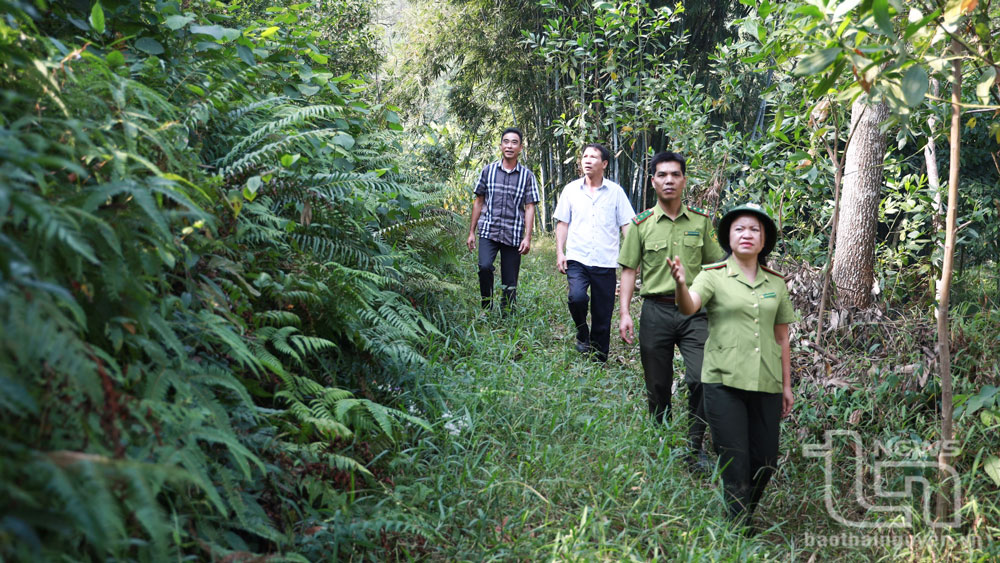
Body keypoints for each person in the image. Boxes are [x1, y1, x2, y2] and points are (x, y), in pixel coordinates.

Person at [668, 203, 796, 527]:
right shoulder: (712, 277)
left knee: (765, 461)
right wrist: (681, 284)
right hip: (723, 381)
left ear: (764, 239)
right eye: (739, 229)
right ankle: (738, 529)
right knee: (734, 460)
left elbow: (782, 338)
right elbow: (689, 306)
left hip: (766, 381)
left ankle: (742, 514)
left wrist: (787, 386)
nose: (747, 234)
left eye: (754, 229)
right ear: (729, 237)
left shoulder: (776, 284)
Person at [618, 151, 725, 471]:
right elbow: (628, 270)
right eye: (662, 175)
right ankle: (660, 441)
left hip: (696, 313)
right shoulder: (640, 224)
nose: (668, 180)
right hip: (656, 311)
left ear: (684, 180)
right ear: (652, 181)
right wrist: (624, 312)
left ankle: (696, 446)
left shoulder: (702, 222)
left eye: (674, 175)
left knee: (702, 378)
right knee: (658, 385)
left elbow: (716, 267)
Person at [553, 143, 636, 362]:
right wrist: (560, 252)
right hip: (577, 258)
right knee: (576, 297)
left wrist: (633, 252)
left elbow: (627, 225)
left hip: (606, 261)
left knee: (602, 314)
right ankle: (582, 332)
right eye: (585, 156)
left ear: (604, 164)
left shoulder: (616, 192)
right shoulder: (571, 190)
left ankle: (599, 359)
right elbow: (562, 223)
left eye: (593, 157)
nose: (587, 160)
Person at [466, 127, 541, 314]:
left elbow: (530, 206)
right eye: (506, 142)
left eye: (514, 142)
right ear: (500, 146)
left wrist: (528, 237)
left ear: (521, 148)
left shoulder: (527, 176)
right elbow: (479, 201)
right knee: (484, 267)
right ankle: (486, 307)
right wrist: (471, 232)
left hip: (513, 233)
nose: (509, 146)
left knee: (510, 280)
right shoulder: (488, 171)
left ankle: (507, 315)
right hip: (489, 230)